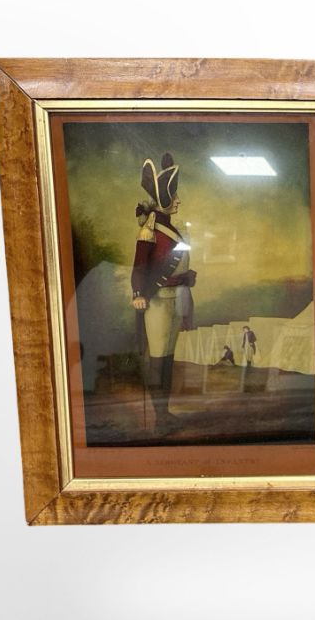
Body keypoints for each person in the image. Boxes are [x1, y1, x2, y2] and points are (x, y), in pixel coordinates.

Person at [131, 153, 197, 435]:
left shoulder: (170, 229)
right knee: (158, 359)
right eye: (174, 197)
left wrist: (186, 277)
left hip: (175, 299)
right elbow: (140, 265)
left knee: (168, 358)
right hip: (157, 302)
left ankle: (165, 414)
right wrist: (138, 292)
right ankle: (159, 420)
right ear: (164, 200)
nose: (178, 201)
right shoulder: (150, 230)